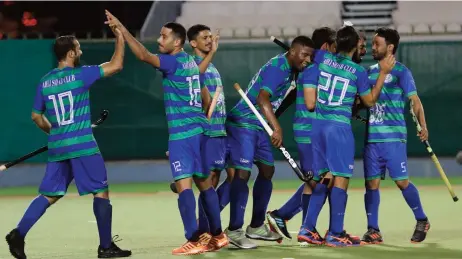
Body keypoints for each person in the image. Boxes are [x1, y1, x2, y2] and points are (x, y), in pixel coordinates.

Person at [104, 11, 228, 255]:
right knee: (205, 185)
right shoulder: (191, 63)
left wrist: (122, 30)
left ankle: (193, 238)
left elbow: (142, 55)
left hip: (183, 133)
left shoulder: (172, 62)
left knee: (184, 187)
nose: (159, 40)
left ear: (177, 42)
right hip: (201, 130)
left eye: (163, 36)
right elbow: (205, 97)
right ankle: (218, 235)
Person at [5, 26, 131, 258]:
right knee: (100, 191)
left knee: (49, 194)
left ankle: (18, 233)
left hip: (58, 146)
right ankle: (105, 247)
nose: (81, 50)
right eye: (78, 47)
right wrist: (120, 38)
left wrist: (54, 133)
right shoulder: (81, 75)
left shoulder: (45, 82)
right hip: (83, 146)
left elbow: (35, 116)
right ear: (71, 54)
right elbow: (116, 65)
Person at [300, 25, 395, 247]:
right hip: (338, 129)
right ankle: (335, 233)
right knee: (341, 179)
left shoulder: (323, 58)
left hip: (318, 127)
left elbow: (312, 51)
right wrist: (383, 74)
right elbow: (370, 101)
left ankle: (307, 228)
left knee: (324, 177)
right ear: (353, 46)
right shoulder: (358, 72)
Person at [225, 36, 314, 249]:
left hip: (258, 124)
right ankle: (234, 230)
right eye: (304, 55)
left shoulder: (292, 69)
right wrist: (277, 127)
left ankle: (256, 226)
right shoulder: (279, 68)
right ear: (292, 51)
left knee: (267, 171)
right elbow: (262, 98)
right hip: (245, 121)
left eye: (311, 56)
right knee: (242, 173)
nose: (308, 60)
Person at [266, 27, 337, 240]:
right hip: (309, 131)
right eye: (334, 48)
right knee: (321, 180)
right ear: (325, 47)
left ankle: (298, 223)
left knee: (316, 180)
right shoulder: (319, 63)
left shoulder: (314, 66)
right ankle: (300, 224)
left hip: (313, 130)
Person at [361, 27, 430, 244]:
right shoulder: (369, 72)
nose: (373, 47)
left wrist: (423, 125)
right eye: (372, 44)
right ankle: (373, 230)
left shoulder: (402, 72)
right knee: (371, 184)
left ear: (390, 47)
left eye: (376, 44)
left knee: (401, 182)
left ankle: (422, 220)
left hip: (394, 138)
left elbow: (415, 101)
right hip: (372, 139)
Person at [185, 24, 234, 245]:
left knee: (231, 177)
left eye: (209, 37)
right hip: (209, 132)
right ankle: (205, 229)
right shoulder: (195, 65)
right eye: (203, 38)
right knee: (210, 181)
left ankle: (207, 220)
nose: (209, 40)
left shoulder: (211, 66)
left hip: (220, 131)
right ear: (192, 43)